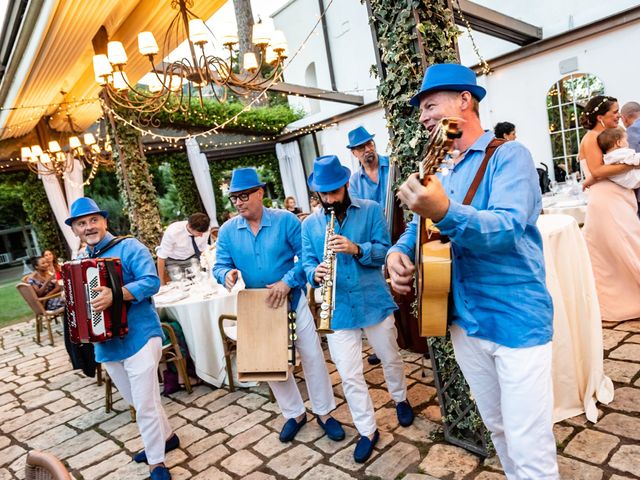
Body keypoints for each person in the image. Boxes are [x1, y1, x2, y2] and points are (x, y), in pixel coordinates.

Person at [387, 63, 559, 478]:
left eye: (430, 105)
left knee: (528, 440)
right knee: (498, 427)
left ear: (465, 100)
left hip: (515, 318)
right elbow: (418, 229)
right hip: (464, 322)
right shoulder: (441, 167)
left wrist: (444, 210)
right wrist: (396, 253)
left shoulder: (509, 156)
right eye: (421, 110)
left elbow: (506, 228)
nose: (424, 116)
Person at [213, 167, 344, 444]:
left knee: (312, 357)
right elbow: (220, 265)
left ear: (260, 193)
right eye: (233, 197)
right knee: (269, 363)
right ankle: (294, 414)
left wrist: (288, 281)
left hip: (293, 300)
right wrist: (226, 274)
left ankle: (324, 413)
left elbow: (306, 258)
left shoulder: (286, 221)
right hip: (258, 307)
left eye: (243, 195)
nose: (238, 202)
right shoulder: (226, 231)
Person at [301, 155, 414, 464]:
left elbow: (384, 252)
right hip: (337, 310)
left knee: (390, 357)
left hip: (373, 301)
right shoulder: (310, 225)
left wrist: (356, 248)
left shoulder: (371, 210)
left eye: (333, 192)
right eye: (322, 194)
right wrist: (315, 273)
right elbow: (307, 262)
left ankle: (400, 398)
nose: (328, 199)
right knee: (349, 375)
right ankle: (367, 430)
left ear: (346, 184)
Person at [65, 197, 177, 480]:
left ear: (104, 221)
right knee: (138, 400)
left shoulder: (129, 246)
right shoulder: (80, 261)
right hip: (107, 344)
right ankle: (167, 437)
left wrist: (116, 294)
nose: (89, 227)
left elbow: (152, 281)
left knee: (146, 403)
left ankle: (157, 463)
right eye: (82, 223)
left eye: (93, 220)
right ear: (76, 229)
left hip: (141, 334)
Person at [578, 96, 640, 322]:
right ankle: (619, 304)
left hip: (614, 198)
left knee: (620, 251)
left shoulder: (601, 136)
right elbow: (598, 171)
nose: (618, 115)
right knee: (629, 247)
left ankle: (628, 299)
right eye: (614, 112)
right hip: (607, 200)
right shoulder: (592, 138)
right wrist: (635, 162)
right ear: (600, 117)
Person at [156, 212, 210, 285]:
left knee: (200, 283)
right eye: (199, 233)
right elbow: (161, 257)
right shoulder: (173, 231)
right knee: (182, 287)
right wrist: (161, 281)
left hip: (193, 258)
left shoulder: (205, 230)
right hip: (174, 262)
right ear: (190, 227)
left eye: (204, 232)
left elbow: (202, 250)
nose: (201, 235)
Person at [346, 126, 390, 211]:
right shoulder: (354, 183)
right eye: (361, 147)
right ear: (354, 153)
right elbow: (360, 214)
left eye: (369, 143)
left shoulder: (392, 164)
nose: (368, 149)